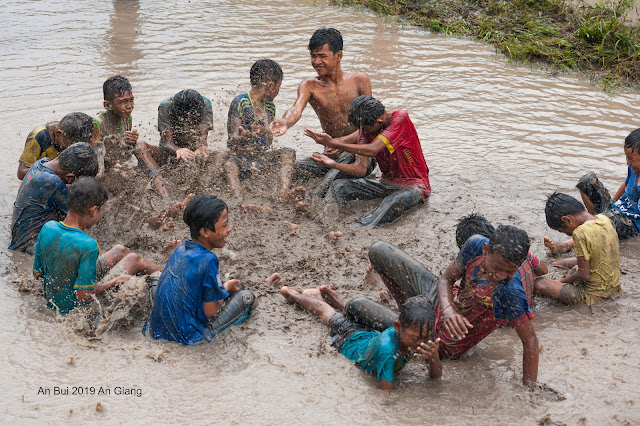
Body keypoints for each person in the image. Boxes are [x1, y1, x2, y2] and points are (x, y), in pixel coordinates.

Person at [352, 225, 547, 386]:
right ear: (486, 251)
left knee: (357, 306)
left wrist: (529, 390)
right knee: (379, 250)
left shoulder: (509, 292)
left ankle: (408, 323)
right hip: (443, 302)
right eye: (496, 268)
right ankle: (407, 311)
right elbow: (445, 279)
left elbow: (530, 340)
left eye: (509, 272)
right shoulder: (475, 245)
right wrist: (447, 309)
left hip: (440, 340)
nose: (500, 276)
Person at [143, 194, 278, 345]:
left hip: (156, 331)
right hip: (188, 338)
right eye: (224, 225)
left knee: (157, 276)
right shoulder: (208, 259)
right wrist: (225, 289)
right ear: (205, 232)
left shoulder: (180, 249)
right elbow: (210, 312)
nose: (229, 229)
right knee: (247, 298)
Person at [33, 177, 163, 315]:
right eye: (101, 211)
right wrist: (116, 281)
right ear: (93, 210)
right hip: (75, 311)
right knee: (133, 259)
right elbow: (83, 295)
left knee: (120, 250)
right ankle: (169, 275)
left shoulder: (48, 228)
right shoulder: (88, 245)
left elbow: (37, 274)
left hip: (54, 300)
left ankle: (165, 272)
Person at [270, 28, 375, 196]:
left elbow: (370, 125)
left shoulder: (359, 80)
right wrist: (285, 122)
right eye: (313, 56)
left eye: (322, 56)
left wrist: (340, 142)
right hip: (331, 154)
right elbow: (296, 108)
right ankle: (281, 195)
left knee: (338, 170)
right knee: (291, 169)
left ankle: (312, 201)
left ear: (339, 56)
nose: (316, 61)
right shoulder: (310, 85)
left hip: (359, 154)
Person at [279, 286, 442, 390]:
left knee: (335, 316)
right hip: (348, 342)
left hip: (368, 338)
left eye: (426, 336)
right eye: (415, 338)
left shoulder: (420, 336)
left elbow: (436, 377)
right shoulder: (388, 351)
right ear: (398, 327)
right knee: (326, 314)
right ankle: (292, 294)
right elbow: (386, 393)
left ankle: (324, 297)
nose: (421, 342)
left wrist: (434, 356)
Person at [305, 95, 431, 227]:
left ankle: (358, 227)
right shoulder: (366, 131)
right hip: (386, 182)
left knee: (394, 200)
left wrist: (336, 144)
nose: (362, 132)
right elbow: (360, 169)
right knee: (340, 186)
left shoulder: (400, 118)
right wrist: (333, 164)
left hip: (415, 185)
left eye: (364, 128)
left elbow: (373, 149)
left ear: (379, 121)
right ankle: (327, 219)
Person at [545, 128, 640, 254]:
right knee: (587, 180)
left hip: (630, 224)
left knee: (604, 219)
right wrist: (612, 203)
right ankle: (594, 222)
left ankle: (568, 244)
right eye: (626, 157)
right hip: (617, 210)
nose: (627, 162)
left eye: (631, 159)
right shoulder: (633, 170)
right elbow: (625, 184)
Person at [225, 59, 298, 201]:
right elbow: (232, 141)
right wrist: (244, 137)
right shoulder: (240, 101)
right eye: (279, 86)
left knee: (288, 152)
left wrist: (265, 132)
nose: (278, 91)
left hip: (261, 157)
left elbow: (269, 141)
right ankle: (240, 202)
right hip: (240, 158)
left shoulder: (270, 106)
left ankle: (282, 195)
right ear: (271, 85)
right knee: (229, 166)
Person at [9, 143, 99, 254]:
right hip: (30, 246)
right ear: (70, 178)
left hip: (18, 237)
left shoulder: (41, 163)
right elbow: (78, 217)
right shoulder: (54, 183)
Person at [534, 192, 621, 305]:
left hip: (593, 296)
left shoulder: (580, 233)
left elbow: (583, 275)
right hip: (613, 288)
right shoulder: (604, 219)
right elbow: (598, 255)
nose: (566, 234)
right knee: (559, 262)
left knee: (539, 283)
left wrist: (561, 281)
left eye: (563, 230)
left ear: (567, 220)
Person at [93, 75, 170, 196]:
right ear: (107, 104)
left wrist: (131, 142)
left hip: (119, 164)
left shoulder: (126, 118)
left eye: (131, 100)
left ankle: (164, 191)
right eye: (124, 102)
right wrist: (115, 166)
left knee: (140, 146)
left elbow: (125, 152)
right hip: (105, 169)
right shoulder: (98, 123)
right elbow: (96, 159)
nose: (130, 106)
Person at [17, 112, 94, 180]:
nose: (75, 148)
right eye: (72, 144)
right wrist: (55, 173)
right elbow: (21, 173)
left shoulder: (71, 130)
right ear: (59, 134)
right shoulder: (39, 137)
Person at [155, 89, 213, 163]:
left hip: (194, 146)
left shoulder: (205, 105)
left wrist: (201, 147)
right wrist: (178, 150)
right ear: (173, 104)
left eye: (192, 118)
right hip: (172, 148)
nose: (187, 121)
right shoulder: (165, 107)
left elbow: (203, 138)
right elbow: (167, 143)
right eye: (183, 118)